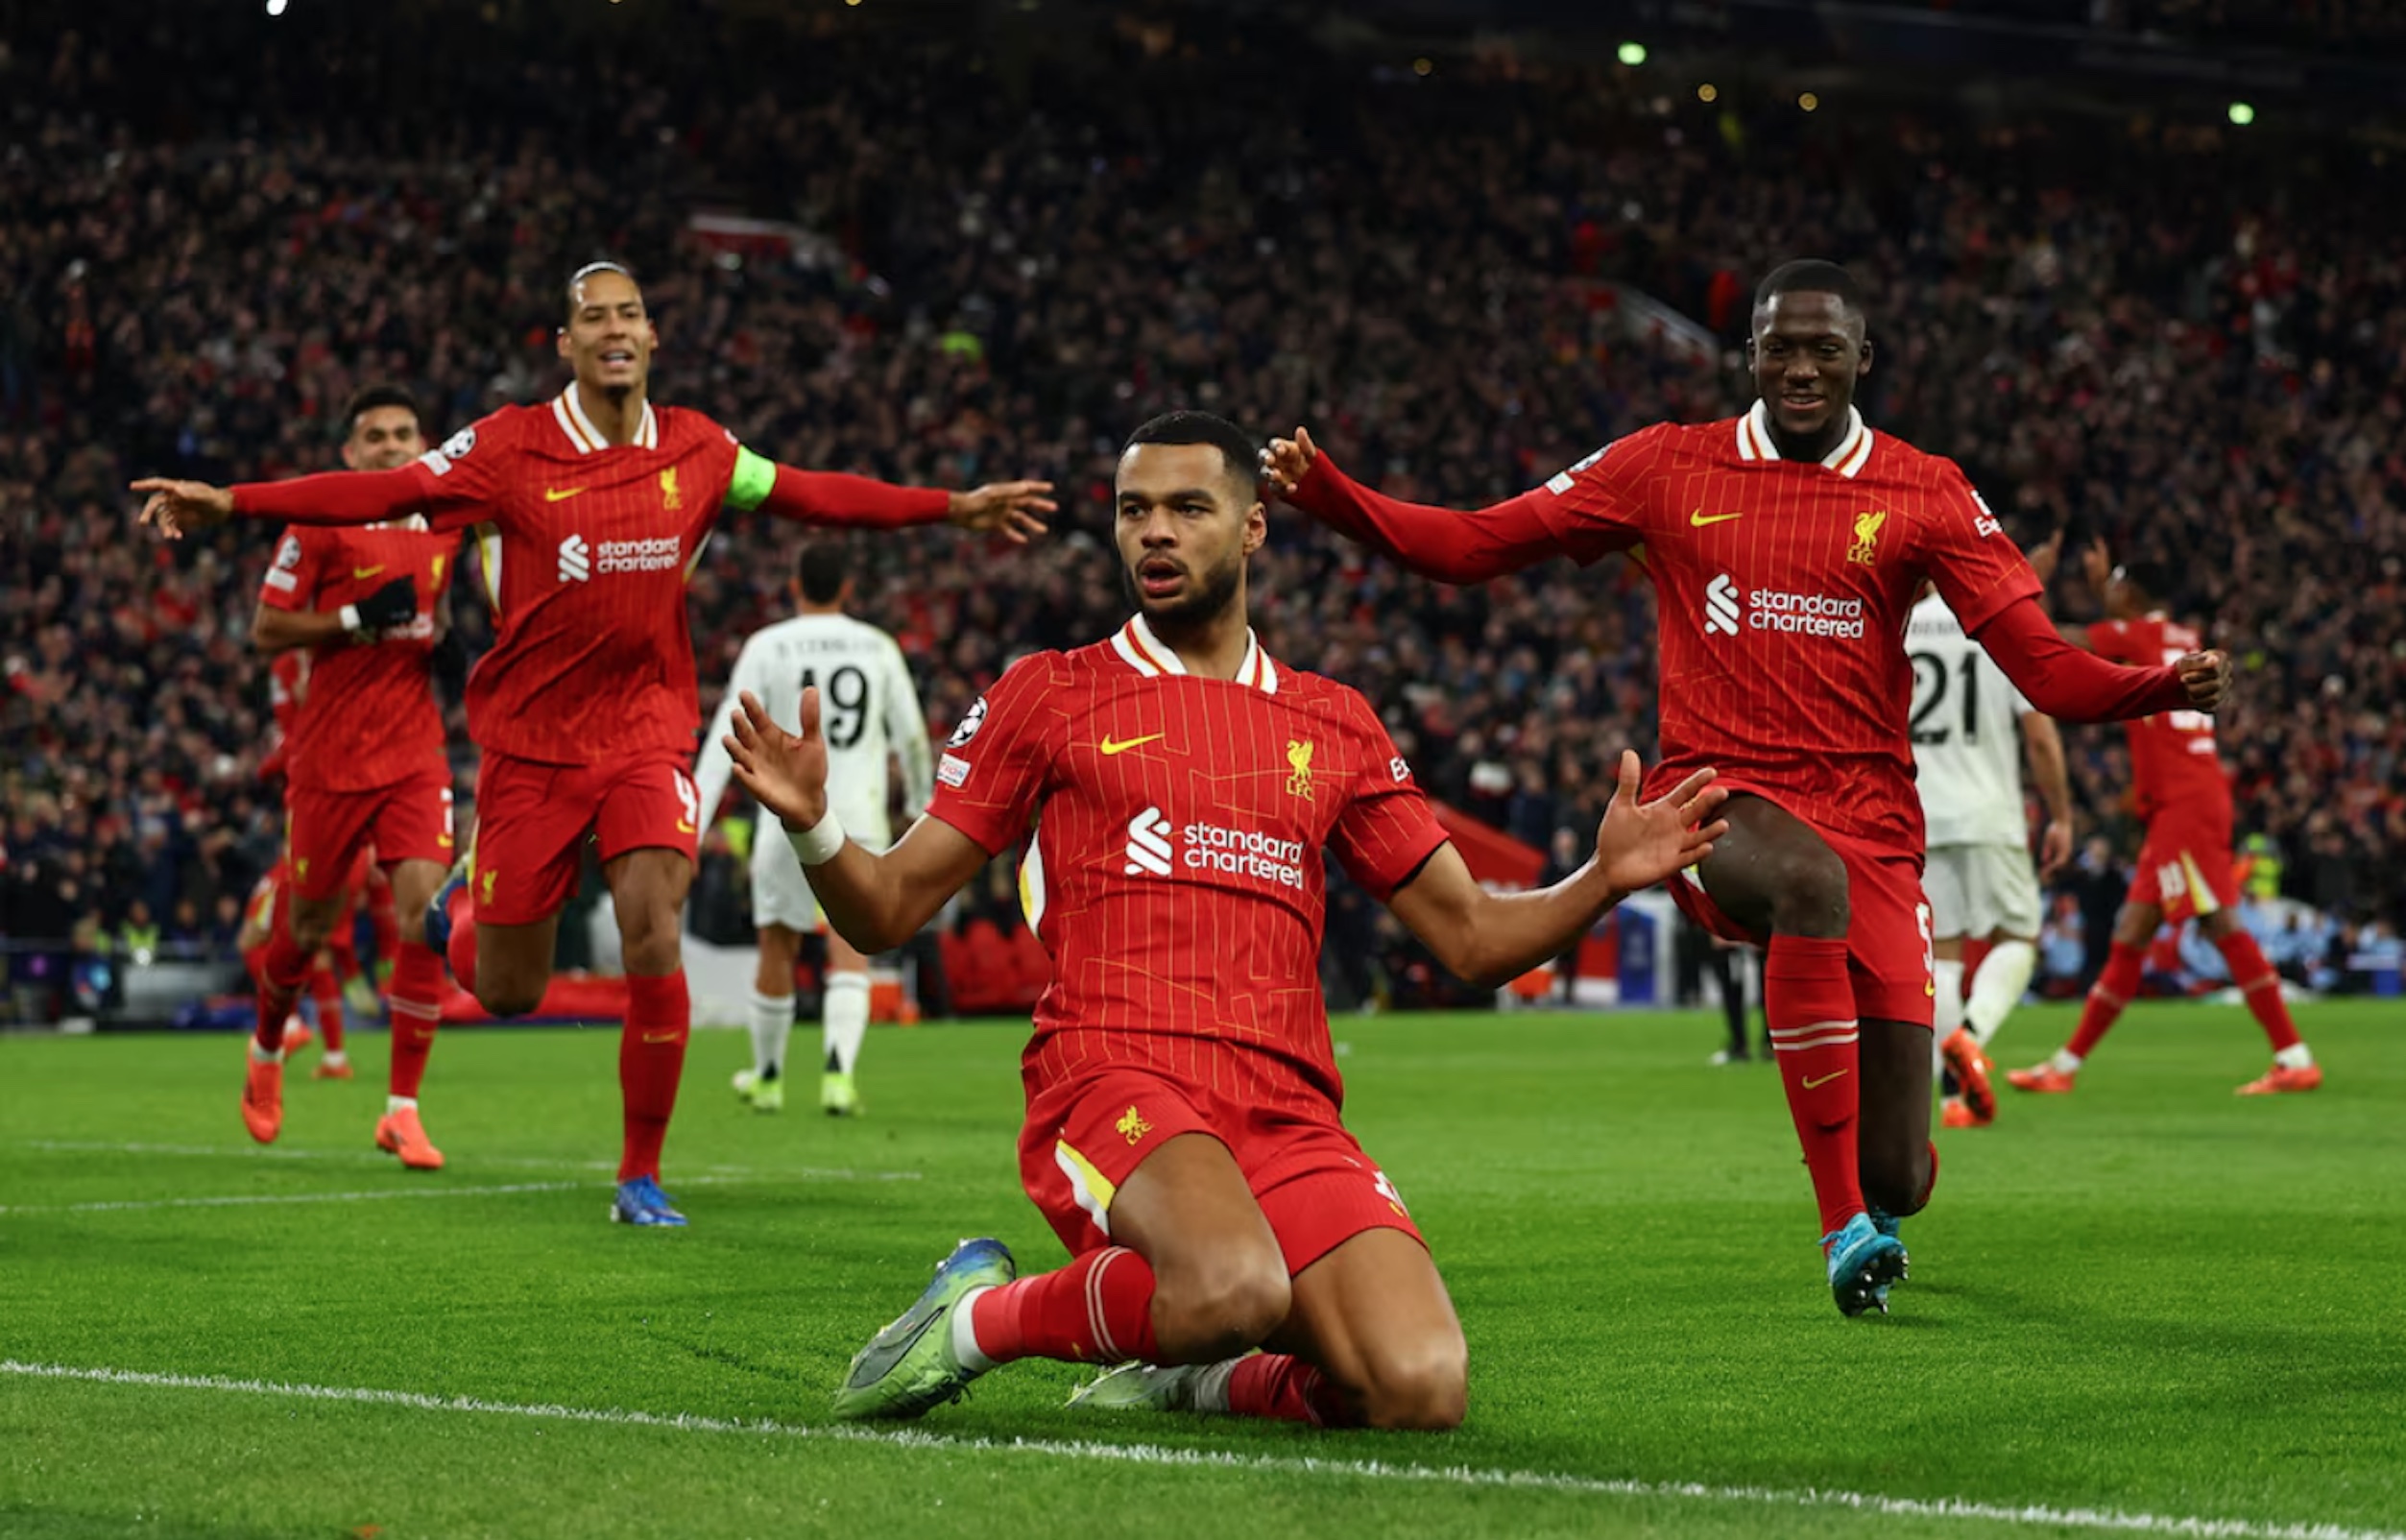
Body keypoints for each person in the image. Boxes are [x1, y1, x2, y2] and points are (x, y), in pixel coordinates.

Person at [1263, 259, 2232, 1314]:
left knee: (1900, 1169)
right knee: (1804, 887)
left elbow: (2043, 667)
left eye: (1824, 347)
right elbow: (1471, 544)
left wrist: (2153, 687)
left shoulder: (1927, 488)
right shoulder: (1664, 468)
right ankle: (1837, 1229)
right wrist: (1332, 496)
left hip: (1876, 824)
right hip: (1713, 799)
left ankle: (1871, 1198)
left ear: (1863, 357)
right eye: (1779, 345)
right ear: (1750, 356)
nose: (1800, 366)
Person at [719, 412, 1726, 1426]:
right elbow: (888, 907)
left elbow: (1470, 937)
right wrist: (814, 826)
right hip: (1117, 1071)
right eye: (1133, 510)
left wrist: (1601, 877)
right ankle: (976, 1319)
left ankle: (1186, 1374)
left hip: (1286, 1106)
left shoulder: (1334, 721)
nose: (1155, 532)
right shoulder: (1050, 694)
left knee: (1418, 1384)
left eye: (1188, 509)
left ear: (1251, 529)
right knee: (1232, 1287)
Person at [132, 260, 1055, 1225]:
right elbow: (390, 486)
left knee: (652, 925)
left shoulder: (700, 448)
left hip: (647, 732)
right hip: (531, 749)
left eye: (631, 313)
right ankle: (460, 912)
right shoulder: (509, 448)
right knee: (508, 986)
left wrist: (955, 507)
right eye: (593, 317)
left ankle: (639, 1176)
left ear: (652, 338)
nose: (614, 328)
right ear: (564, 345)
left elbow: (813, 494)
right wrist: (233, 501)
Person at [2005, 541, 2319, 1096]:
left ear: (2130, 593)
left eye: (2116, 586)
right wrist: (2109, 591)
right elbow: (2127, 637)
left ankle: (2293, 1057)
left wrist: (2020, 589)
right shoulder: (2178, 637)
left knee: (2218, 922)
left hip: (2185, 808)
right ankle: (2064, 1068)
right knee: (2133, 936)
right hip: (2189, 799)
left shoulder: (2139, 636)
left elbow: (2057, 639)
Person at [234, 385, 457, 1165]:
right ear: (350, 454)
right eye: (376, 437)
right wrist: (358, 619)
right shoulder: (318, 524)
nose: (393, 447)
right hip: (329, 760)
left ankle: (402, 1107)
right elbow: (266, 630)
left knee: (425, 912)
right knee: (300, 933)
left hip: (413, 753)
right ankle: (266, 1051)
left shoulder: (449, 523)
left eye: (405, 433)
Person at [693, 541, 933, 1117]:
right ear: (848, 589)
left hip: (787, 817)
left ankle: (770, 1077)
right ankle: (837, 1076)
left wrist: (694, 817)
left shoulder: (767, 645)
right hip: (860, 815)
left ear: (794, 585)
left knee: (777, 943)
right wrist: (925, 806)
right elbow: (914, 737)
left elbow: (731, 730)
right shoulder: (876, 647)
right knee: (851, 946)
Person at [1904, 587, 2075, 1129]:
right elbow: (2041, 738)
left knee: (1946, 954)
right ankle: (1969, 1041)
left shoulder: (1900, 627)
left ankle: (1955, 1100)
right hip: (1989, 812)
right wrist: (2062, 815)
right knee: (2020, 937)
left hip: (1921, 810)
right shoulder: (1995, 623)